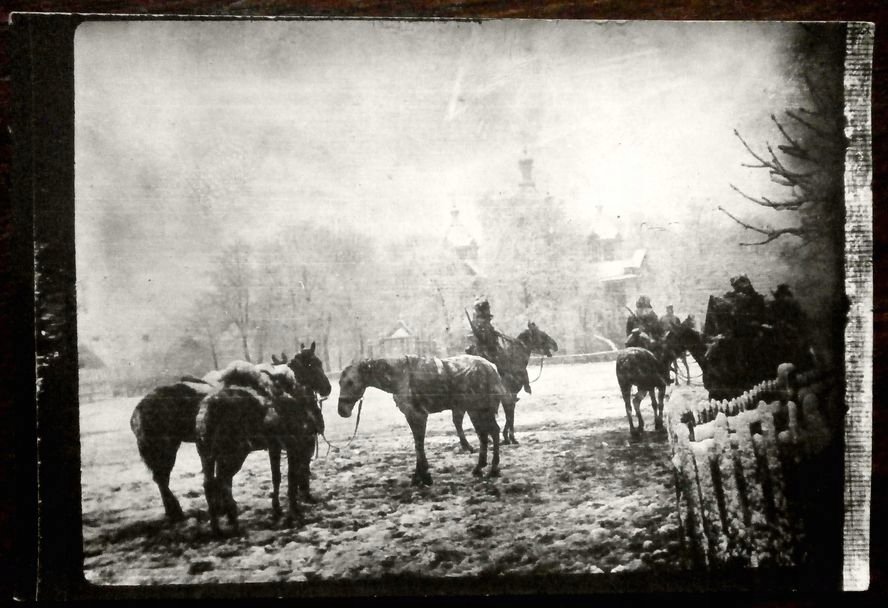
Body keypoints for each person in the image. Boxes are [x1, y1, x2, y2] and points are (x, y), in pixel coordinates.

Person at [660, 304, 690, 385]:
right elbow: (660, 329)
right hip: (666, 339)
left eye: (670, 309)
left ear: (672, 310)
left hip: (675, 339)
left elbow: (679, 329)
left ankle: (688, 377)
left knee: (684, 360)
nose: (668, 310)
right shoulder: (662, 318)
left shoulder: (676, 318)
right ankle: (669, 378)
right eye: (667, 309)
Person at [467, 298, 501, 363]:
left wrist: (494, 333)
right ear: (482, 310)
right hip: (483, 351)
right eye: (487, 308)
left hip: (490, 349)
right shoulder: (478, 323)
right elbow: (483, 338)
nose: (488, 310)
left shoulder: (485, 322)